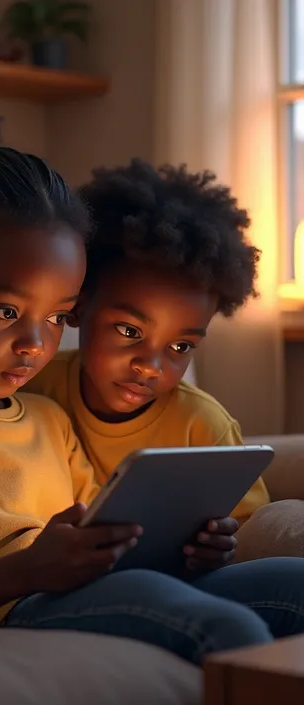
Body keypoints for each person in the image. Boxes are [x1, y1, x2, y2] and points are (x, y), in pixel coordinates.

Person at [0, 93, 304, 667]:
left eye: (58, 316)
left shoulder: (48, 417)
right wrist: (31, 567)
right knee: (225, 629)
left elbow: (110, 539)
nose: (36, 342)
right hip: (19, 605)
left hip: (94, 587)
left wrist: (189, 553)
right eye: (6, 312)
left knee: (294, 582)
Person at [24, 159, 269, 573]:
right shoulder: (32, 389)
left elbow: (247, 526)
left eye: (180, 345)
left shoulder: (203, 424)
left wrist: (222, 544)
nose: (151, 366)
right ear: (78, 307)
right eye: (129, 331)